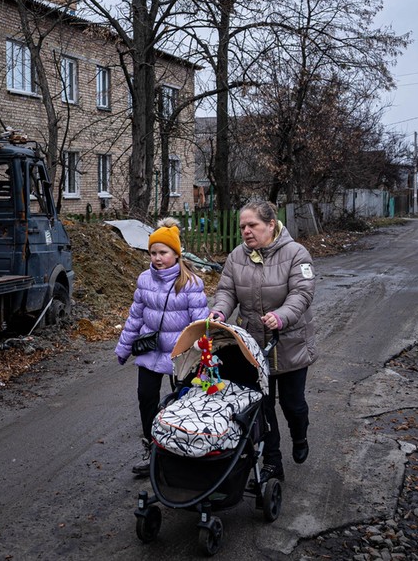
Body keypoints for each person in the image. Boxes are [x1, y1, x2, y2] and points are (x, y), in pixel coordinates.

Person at [209, 200, 315, 483]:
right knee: (262, 409)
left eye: (252, 225)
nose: (246, 231)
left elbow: (302, 294)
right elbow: (227, 291)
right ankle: (272, 462)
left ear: (271, 224)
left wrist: (281, 316)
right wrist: (219, 311)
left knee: (293, 405)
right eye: (242, 226)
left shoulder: (296, 254)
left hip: (289, 343)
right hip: (254, 347)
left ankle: (300, 435)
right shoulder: (236, 257)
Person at [114, 217, 211, 477]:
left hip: (181, 355)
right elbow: (135, 317)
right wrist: (123, 348)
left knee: (182, 403)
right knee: (146, 398)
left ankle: (184, 451)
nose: (157, 258)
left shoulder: (190, 283)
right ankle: (152, 448)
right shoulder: (145, 280)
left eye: (163, 252)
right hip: (150, 352)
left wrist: (204, 357)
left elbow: (201, 324)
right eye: (153, 252)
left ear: (176, 254)